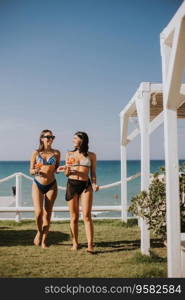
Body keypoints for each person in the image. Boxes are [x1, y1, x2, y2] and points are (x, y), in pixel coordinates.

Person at [57, 131, 99, 253]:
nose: (73, 140)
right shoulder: (69, 154)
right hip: (72, 184)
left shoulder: (91, 155)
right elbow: (66, 174)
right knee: (74, 217)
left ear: (82, 140)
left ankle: (90, 245)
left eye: (75, 138)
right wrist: (68, 169)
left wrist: (95, 183)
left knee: (86, 216)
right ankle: (75, 243)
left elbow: (93, 173)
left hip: (86, 185)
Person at [30, 129, 60, 248]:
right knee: (38, 213)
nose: (50, 139)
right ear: (42, 138)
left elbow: (56, 169)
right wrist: (35, 170)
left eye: (52, 137)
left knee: (47, 214)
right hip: (38, 184)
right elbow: (30, 170)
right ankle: (39, 231)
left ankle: (44, 241)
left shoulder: (57, 153)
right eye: (47, 137)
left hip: (51, 185)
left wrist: (62, 170)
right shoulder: (36, 153)